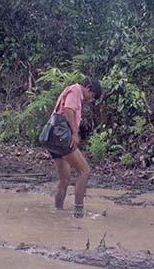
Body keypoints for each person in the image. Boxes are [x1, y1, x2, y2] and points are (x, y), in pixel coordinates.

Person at [50, 77, 101, 218]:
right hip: (62, 137)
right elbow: (68, 109)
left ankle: (57, 212)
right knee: (85, 171)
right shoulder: (76, 90)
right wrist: (74, 133)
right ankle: (79, 213)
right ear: (88, 88)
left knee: (64, 179)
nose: (90, 99)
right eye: (92, 96)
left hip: (52, 137)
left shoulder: (70, 90)